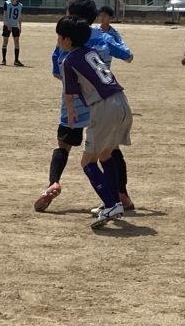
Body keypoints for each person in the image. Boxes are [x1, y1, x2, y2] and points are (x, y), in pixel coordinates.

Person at [37, 0, 134, 213]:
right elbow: (128, 55)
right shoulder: (104, 37)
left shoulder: (66, 40)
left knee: (64, 145)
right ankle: (121, 194)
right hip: (106, 98)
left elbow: (56, 72)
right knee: (110, 150)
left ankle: (53, 182)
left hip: (74, 103)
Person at [56, 15, 135, 228]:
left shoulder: (68, 60)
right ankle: (115, 201)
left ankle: (111, 204)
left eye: (59, 36)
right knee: (106, 154)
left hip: (103, 108)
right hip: (121, 101)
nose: (58, 40)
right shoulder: (92, 52)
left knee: (87, 161)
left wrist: (71, 114)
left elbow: (70, 95)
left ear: (67, 40)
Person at [0, 0, 25, 67]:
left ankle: (16, 60)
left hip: (15, 25)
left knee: (16, 42)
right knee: (5, 41)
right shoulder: (7, 3)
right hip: (7, 25)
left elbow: (19, 17)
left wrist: (20, 26)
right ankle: (3, 60)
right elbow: (5, 15)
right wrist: (7, 24)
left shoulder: (20, 5)